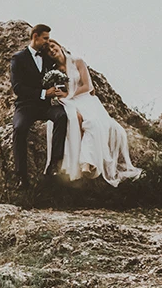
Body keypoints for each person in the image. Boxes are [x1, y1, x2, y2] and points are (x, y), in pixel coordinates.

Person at [44, 40, 142, 186]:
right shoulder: (54, 70)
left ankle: (87, 161)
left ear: (59, 46)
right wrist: (59, 93)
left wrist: (69, 94)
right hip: (69, 101)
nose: (51, 50)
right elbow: (58, 90)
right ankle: (82, 162)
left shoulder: (77, 61)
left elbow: (87, 86)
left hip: (84, 98)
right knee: (74, 119)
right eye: (48, 50)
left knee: (92, 124)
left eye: (53, 46)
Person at [10, 24, 69, 189]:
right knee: (19, 129)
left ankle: (54, 164)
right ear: (35, 36)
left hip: (45, 106)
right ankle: (21, 177)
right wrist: (43, 93)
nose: (47, 42)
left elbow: (62, 65)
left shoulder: (47, 56)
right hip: (26, 106)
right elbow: (17, 88)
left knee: (63, 116)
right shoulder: (18, 59)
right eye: (45, 38)